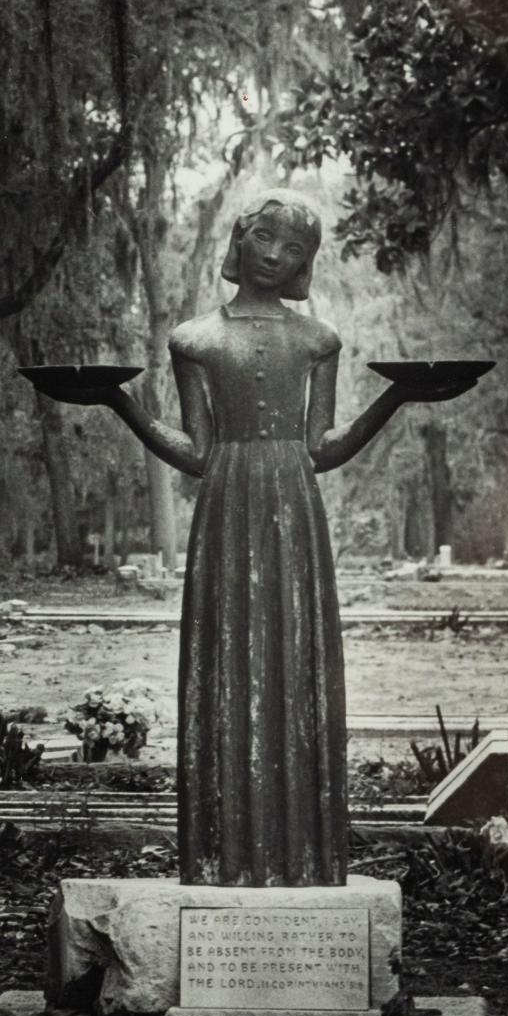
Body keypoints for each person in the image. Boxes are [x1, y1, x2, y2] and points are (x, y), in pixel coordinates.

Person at [84, 189, 455, 887]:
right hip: (225, 499)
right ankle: (222, 854)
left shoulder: (319, 341)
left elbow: (322, 445)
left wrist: (395, 397)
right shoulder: (194, 339)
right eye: (264, 238)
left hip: (293, 502)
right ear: (241, 237)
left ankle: (305, 852)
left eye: (293, 249)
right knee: (224, 657)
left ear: (303, 264)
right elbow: (194, 449)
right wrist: (121, 403)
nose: (275, 255)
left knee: (297, 654)